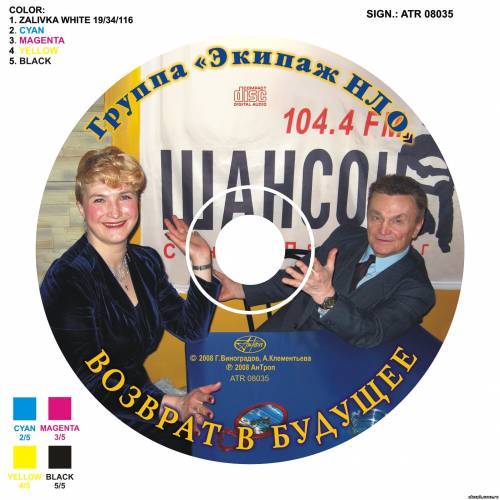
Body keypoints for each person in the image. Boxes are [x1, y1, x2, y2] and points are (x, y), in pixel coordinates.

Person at [40, 146, 220, 454]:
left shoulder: (145, 261)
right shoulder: (68, 278)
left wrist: (202, 260)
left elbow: (191, 329)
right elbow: (90, 378)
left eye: (124, 196)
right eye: (100, 199)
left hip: (138, 398)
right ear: (81, 207)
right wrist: (171, 403)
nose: (115, 211)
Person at [216, 175, 435, 348]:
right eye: (376, 217)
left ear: (417, 226)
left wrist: (326, 298)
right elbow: (296, 278)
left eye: (397, 221)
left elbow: (371, 333)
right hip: (277, 340)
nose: (383, 230)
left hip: (333, 370)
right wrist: (241, 289)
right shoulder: (346, 236)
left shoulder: (418, 290)